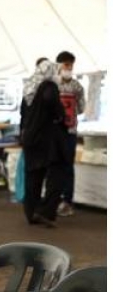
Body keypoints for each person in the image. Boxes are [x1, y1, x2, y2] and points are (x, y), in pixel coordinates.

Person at [20, 60, 70, 228]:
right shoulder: (49, 86)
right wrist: (60, 115)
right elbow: (51, 101)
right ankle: (46, 211)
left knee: (33, 176)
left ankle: (31, 212)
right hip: (46, 139)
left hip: (30, 138)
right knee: (58, 175)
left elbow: (23, 114)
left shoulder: (29, 87)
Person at [54, 51, 85, 217]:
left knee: (67, 166)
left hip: (70, 131)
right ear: (58, 65)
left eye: (71, 65)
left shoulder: (77, 86)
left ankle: (67, 201)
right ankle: (53, 199)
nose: (69, 68)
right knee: (53, 166)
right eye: (66, 65)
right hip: (53, 132)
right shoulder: (52, 85)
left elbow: (81, 108)